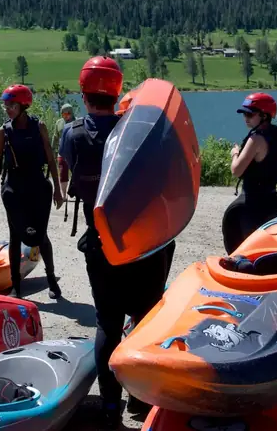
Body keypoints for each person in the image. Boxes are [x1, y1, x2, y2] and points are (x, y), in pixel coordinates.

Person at [60, 56, 175, 428]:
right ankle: (142, 401)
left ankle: (110, 405)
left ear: (83, 93)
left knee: (108, 323)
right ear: (117, 91)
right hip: (144, 242)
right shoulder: (136, 130)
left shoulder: (73, 133)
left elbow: (69, 177)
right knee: (144, 319)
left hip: (100, 242)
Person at [0, 84, 64, 299]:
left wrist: (58, 190)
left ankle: (52, 280)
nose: (7, 109)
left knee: (41, 235)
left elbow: (50, 159)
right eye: (5, 105)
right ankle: (16, 287)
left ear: (23, 105)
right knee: (15, 236)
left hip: (38, 186)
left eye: (11, 105)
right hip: (14, 188)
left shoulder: (38, 126)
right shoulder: (4, 131)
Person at [222, 93, 277, 255]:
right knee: (265, 248)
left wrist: (235, 153)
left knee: (246, 251)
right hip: (271, 200)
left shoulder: (256, 140)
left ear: (264, 115)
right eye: (244, 114)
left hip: (251, 204)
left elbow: (236, 170)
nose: (246, 118)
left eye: (250, 114)